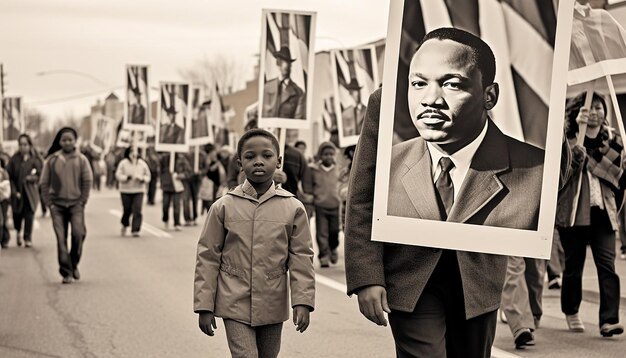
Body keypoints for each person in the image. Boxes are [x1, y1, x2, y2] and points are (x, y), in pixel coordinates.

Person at [344, 28, 555, 357]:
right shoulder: (384, 109)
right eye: (419, 83)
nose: (431, 99)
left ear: (490, 96)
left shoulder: (530, 164)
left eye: (452, 84)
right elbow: (362, 197)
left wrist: (562, 124)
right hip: (410, 275)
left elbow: (558, 186)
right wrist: (366, 276)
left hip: (478, 279)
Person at [194, 128, 315, 358]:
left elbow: (301, 258)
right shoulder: (223, 207)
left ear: (279, 161)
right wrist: (204, 306)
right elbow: (207, 257)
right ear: (240, 163)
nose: (258, 161)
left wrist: (303, 301)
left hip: (273, 301)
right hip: (234, 301)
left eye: (266, 156)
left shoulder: (293, 208)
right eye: (250, 156)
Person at [556, 92, 625, 337]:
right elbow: (558, 179)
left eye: (599, 107)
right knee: (573, 266)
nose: (595, 112)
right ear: (577, 113)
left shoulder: (615, 140)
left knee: (607, 264)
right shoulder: (567, 140)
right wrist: (575, 158)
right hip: (574, 213)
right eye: (589, 108)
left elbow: (619, 175)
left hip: (603, 211)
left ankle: (609, 320)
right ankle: (571, 310)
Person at [40, 127, 93, 284]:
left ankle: (73, 263)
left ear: (75, 141)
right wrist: (49, 204)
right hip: (57, 206)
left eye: (70, 139)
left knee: (78, 234)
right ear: (60, 142)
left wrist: (83, 201)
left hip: (76, 204)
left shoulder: (82, 160)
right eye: (64, 139)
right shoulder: (52, 160)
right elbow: (44, 183)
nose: (67, 142)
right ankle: (66, 272)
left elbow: (87, 181)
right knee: (61, 239)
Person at [7, 134, 43, 248]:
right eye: (21, 145)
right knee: (17, 214)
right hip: (17, 192)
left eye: (25, 144)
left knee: (29, 214)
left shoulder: (35, 159)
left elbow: (40, 174)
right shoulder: (14, 160)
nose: (23, 147)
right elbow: (10, 176)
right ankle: (18, 231)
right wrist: (14, 191)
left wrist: (31, 178)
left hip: (30, 192)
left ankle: (27, 237)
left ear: (30, 145)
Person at [311, 142, 341, 267]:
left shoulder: (339, 170)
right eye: (325, 154)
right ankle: (324, 255)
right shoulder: (314, 170)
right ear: (320, 156)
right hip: (320, 206)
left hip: (335, 206)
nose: (328, 157)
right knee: (321, 233)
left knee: (334, 231)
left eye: (331, 154)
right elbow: (310, 186)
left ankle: (333, 248)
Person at [115, 147, 151, 237]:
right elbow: (118, 174)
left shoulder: (142, 164)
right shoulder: (123, 163)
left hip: (138, 190)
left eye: (135, 153)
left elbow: (148, 176)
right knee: (127, 209)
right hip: (126, 190)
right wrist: (126, 178)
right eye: (131, 152)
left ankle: (135, 229)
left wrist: (142, 179)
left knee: (137, 209)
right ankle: (125, 223)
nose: (133, 155)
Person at [262, 46, 305, 119]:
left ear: (290, 66)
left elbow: (298, 120)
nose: (285, 66)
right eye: (281, 62)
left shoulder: (298, 92)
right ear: (277, 64)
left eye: (287, 63)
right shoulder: (267, 87)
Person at [159, 153, 191, 231]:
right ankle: (165, 218)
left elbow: (188, 172)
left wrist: (181, 175)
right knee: (165, 205)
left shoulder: (182, 159)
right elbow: (160, 171)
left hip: (177, 186)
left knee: (177, 205)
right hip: (166, 185)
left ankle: (177, 223)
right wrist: (162, 182)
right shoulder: (164, 158)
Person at [0, 162, 10, 249]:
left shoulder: (3, 172)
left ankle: (5, 239)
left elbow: (6, 185)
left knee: (3, 219)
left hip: (3, 199)